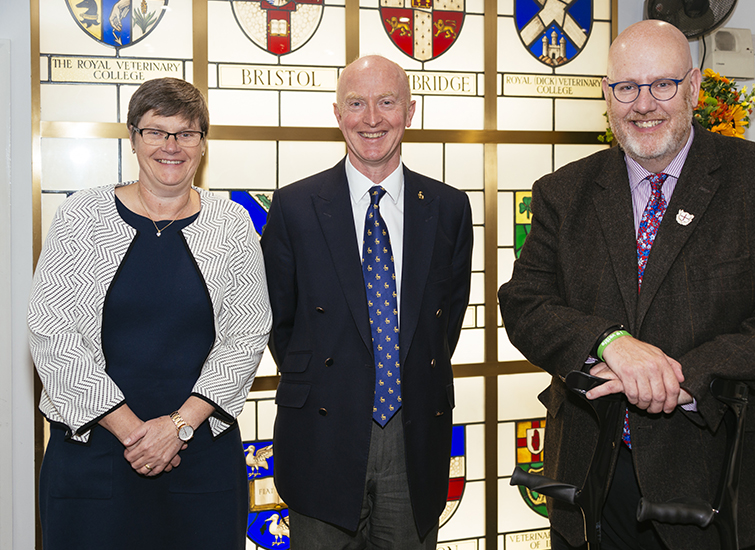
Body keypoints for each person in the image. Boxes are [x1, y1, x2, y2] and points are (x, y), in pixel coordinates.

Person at [498, 20, 755, 550]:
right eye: (626, 87)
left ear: (695, 87)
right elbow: (524, 303)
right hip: (593, 476)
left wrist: (680, 375)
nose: (643, 103)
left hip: (718, 470)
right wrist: (610, 343)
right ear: (608, 95)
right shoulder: (562, 192)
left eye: (663, 85)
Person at [29, 77, 272, 549]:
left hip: (200, 456)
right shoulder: (81, 216)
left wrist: (178, 427)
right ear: (133, 138)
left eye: (186, 133)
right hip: (93, 460)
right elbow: (51, 333)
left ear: (202, 143)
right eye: (156, 132)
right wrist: (139, 435)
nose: (171, 146)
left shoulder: (232, 223)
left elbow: (246, 336)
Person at [261, 54, 473, 549]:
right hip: (321, 432)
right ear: (337, 114)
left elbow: (448, 319)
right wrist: (332, 380)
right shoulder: (294, 207)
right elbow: (280, 323)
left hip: (413, 434)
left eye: (386, 102)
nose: (371, 119)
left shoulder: (448, 208)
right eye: (356, 103)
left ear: (410, 111)